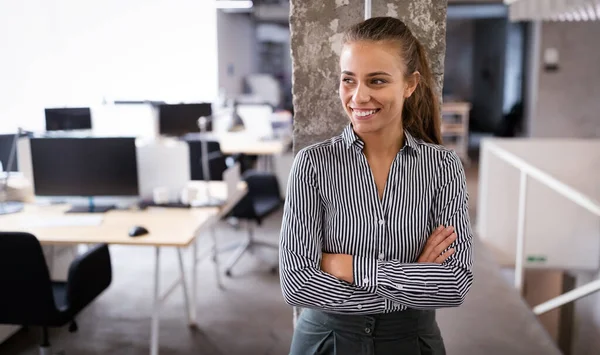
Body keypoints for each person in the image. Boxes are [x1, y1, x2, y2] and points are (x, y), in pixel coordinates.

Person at [279, 16, 474, 355]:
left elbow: (454, 284)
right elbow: (297, 284)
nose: (359, 96)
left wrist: (348, 266)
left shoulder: (442, 168)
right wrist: (413, 278)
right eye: (348, 80)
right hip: (326, 341)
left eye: (377, 81)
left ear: (409, 85)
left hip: (412, 342)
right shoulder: (313, 165)